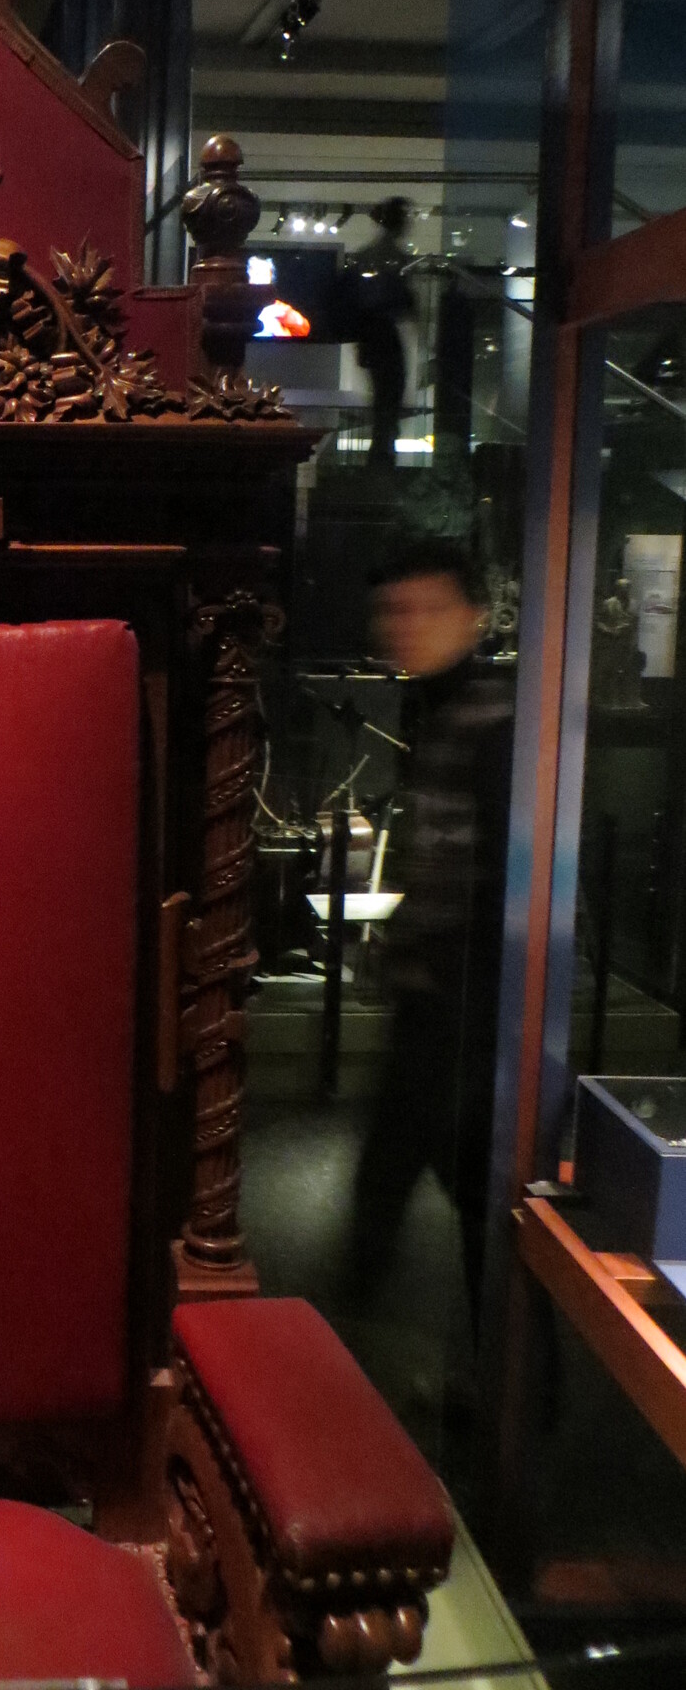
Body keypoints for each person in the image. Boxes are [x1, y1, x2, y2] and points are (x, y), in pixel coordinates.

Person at [348, 539, 514, 1335]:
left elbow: (505, 876)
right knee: (461, 1191)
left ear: (474, 617)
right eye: (395, 610)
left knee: (416, 1183)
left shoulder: (492, 720)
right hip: (448, 998)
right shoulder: (447, 707)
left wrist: (445, 971)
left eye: (428, 609)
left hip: (463, 1004)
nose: (407, 626)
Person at [347, 197, 415, 468]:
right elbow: (396, 302)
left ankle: (381, 454)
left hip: (372, 334)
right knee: (389, 396)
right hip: (382, 333)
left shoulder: (370, 254)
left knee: (384, 398)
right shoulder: (391, 257)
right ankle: (382, 456)